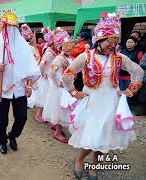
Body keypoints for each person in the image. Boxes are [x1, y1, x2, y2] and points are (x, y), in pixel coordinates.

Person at [62, 13, 143, 180]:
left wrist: (130, 90)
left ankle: (94, 165)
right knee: (92, 133)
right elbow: (68, 74)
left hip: (110, 101)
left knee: (104, 134)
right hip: (92, 101)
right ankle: (79, 159)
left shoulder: (119, 58)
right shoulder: (86, 56)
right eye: (108, 41)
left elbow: (138, 71)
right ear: (99, 40)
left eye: (114, 42)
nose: (111, 45)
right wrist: (74, 92)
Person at [0, 9, 40, 154]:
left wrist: (28, 85)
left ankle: (13, 135)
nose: (10, 31)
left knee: (22, 117)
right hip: (2, 88)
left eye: (13, 28)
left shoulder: (24, 46)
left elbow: (29, 67)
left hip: (19, 89)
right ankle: (2, 140)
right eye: (7, 28)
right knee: (2, 119)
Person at [42, 28, 73, 143]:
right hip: (60, 89)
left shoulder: (70, 57)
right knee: (61, 110)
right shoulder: (59, 58)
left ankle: (56, 127)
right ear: (60, 47)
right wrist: (58, 82)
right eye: (65, 46)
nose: (69, 47)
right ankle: (58, 132)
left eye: (70, 45)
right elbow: (52, 72)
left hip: (66, 87)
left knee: (61, 109)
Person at [34, 27, 57, 122]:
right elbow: (43, 63)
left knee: (47, 97)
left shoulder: (53, 52)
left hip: (50, 76)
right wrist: (42, 73)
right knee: (44, 97)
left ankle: (44, 114)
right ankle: (39, 114)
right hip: (46, 77)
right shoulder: (49, 53)